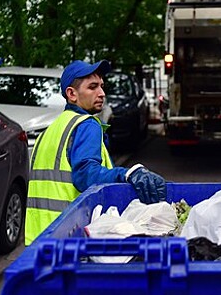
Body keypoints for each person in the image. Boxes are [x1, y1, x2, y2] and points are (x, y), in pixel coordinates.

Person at [25, 60, 166, 245]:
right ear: (71, 94)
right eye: (92, 87)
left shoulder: (49, 132)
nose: (102, 93)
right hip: (69, 236)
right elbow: (85, 175)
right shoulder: (86, 124)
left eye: (101, 86)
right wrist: (127, 174)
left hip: (39, 239)